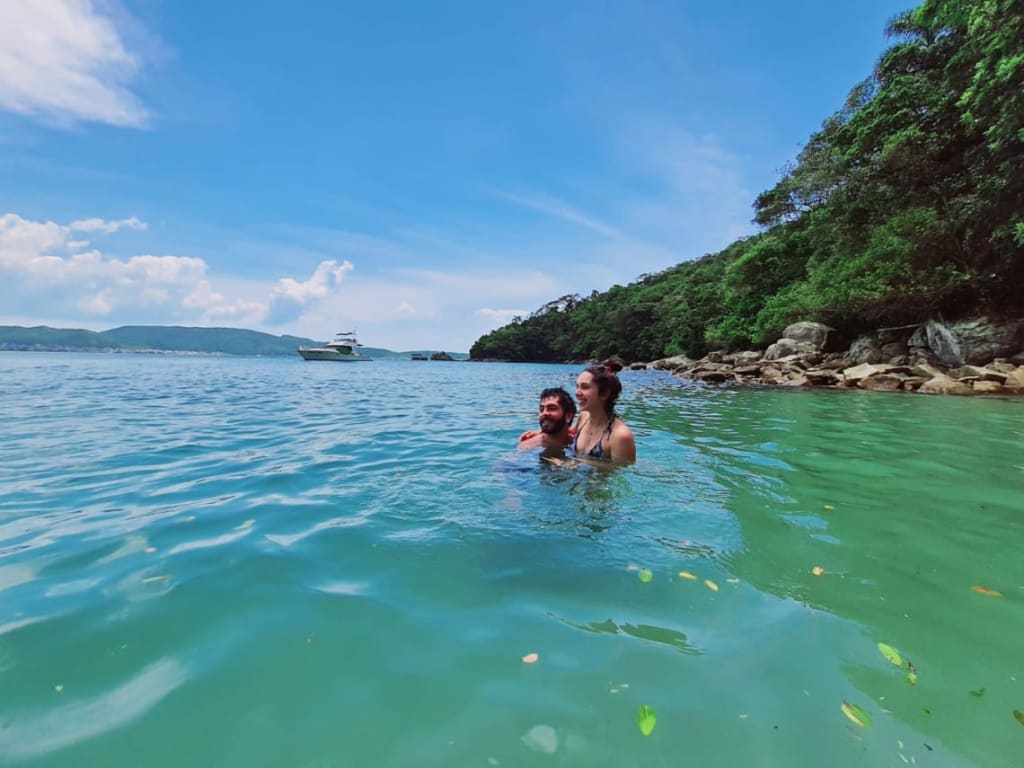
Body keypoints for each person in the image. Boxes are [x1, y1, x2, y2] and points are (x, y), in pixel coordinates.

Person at [571, 366, 636, 463]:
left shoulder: (620, 435)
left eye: (585, 387)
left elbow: (622, 469)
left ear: (605, 394)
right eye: (577, 387)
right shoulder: (583, 417)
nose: (577, 393)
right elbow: (567, 435)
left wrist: (577, 464)